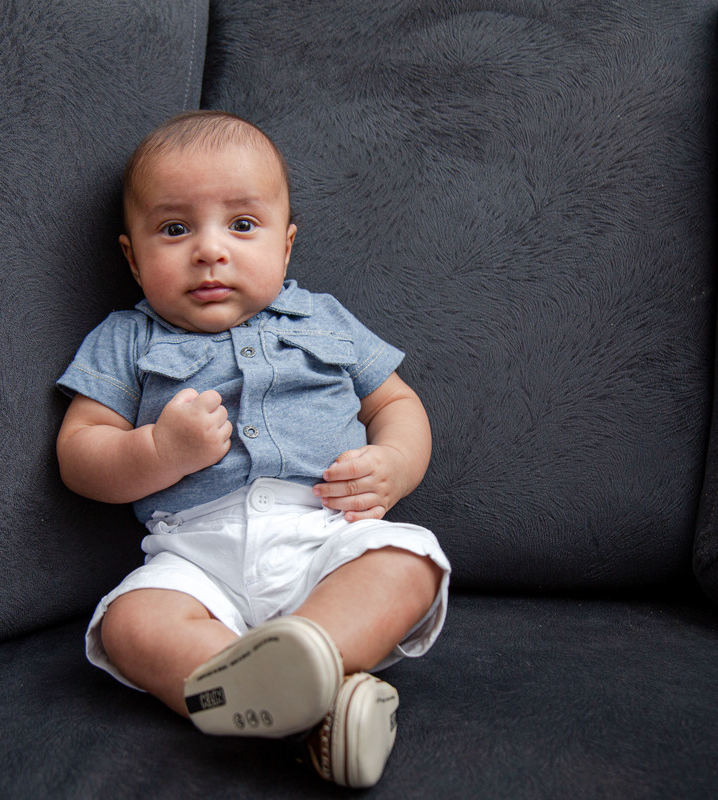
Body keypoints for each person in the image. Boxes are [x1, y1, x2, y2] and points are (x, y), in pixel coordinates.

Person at [56, 110, 450, 788]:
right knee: (129, 623)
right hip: (195, 559)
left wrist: (395, 465)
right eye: (174, 229)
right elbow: (78, 453)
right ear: (133, 257)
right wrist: (160, 452)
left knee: (409, 562)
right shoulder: (126, 339)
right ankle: (311, 709)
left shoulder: (324, 318)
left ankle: (302, 668)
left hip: (324, 535)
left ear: (286, 246)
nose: (210, 250)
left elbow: (397, 405)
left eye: (242, 225)